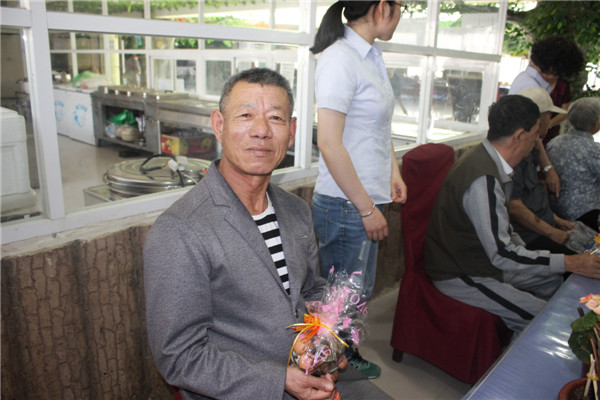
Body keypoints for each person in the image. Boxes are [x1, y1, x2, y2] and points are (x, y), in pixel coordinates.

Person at [144, 68, 392, 400]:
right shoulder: (180, 231)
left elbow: (310, 289)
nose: (261, 131)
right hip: (245, 388)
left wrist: (328, 341)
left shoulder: (295, 209)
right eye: (245, 115)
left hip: (309, 368)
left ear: (291, 132)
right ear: (219, 125)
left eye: (275, 118)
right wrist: (280, 380)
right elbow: (179, 358)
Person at [425, 94, 600, 334]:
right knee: (543, 318)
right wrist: (569, 261)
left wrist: (553, 262)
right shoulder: (484, 180)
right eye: (536, 134)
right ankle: (526, 344)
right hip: (462, 272)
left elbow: (503, 232)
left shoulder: (491, 161)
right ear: (519, 136)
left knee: (552, 280)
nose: (537, 140)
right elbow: (501, 254)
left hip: (483, 261)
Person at [309, 0, 408, 379]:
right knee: (338, 301)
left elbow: (378, 127)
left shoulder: (371, 55)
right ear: (383, 7)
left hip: (364, 198)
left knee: (355, 294)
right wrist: (367, 209)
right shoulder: (340, 58)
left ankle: (341, 361)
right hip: (346, 204)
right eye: (401, 7)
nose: (401, 15)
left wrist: (393, 172)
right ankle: (320, 371)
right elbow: (329, 143)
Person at [508, 37, 585, 198]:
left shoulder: (528, 80)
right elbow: (532, 133)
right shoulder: (531, 87)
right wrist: (548, 169)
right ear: (552, 68)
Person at [508, 87, 578, 254]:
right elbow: (514, 206)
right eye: (549, 115)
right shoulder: (517, 154)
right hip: (531, 237)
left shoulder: (532, 146)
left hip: (545, 226)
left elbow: (533, 200)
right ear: (540, 119)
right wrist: (552, 232)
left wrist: (557, 221)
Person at [547, 97, 600, 231]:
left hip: (554, 210)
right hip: (586, 213)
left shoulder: (554, 143)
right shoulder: (594, 150)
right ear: (595, 124)